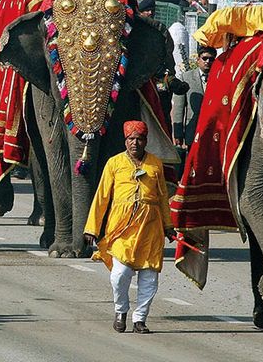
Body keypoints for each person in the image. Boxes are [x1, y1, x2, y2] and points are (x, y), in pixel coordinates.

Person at [84, 119, 174, 334]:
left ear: (146, 141)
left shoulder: (155, 164)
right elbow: (102, 197)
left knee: (149, 277)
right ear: (125, 141)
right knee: (120, 274)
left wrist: (168, 225)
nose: (135, 143)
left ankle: (140, 319)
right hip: (122, 229)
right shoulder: (114, 163)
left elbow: (162, 197)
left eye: (139, 139)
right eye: (131, 139)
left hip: (150, 228)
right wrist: (92, 228)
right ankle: (120, 310)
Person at [170, 46, 214, 161]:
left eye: (211, 59)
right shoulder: (186, 77)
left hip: (213, 130)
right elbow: (179, 108)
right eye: (204, 58)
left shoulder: (219, 76)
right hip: (192, 130)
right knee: (192, 162)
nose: (207, 62)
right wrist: (178, 133)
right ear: (198, 60)